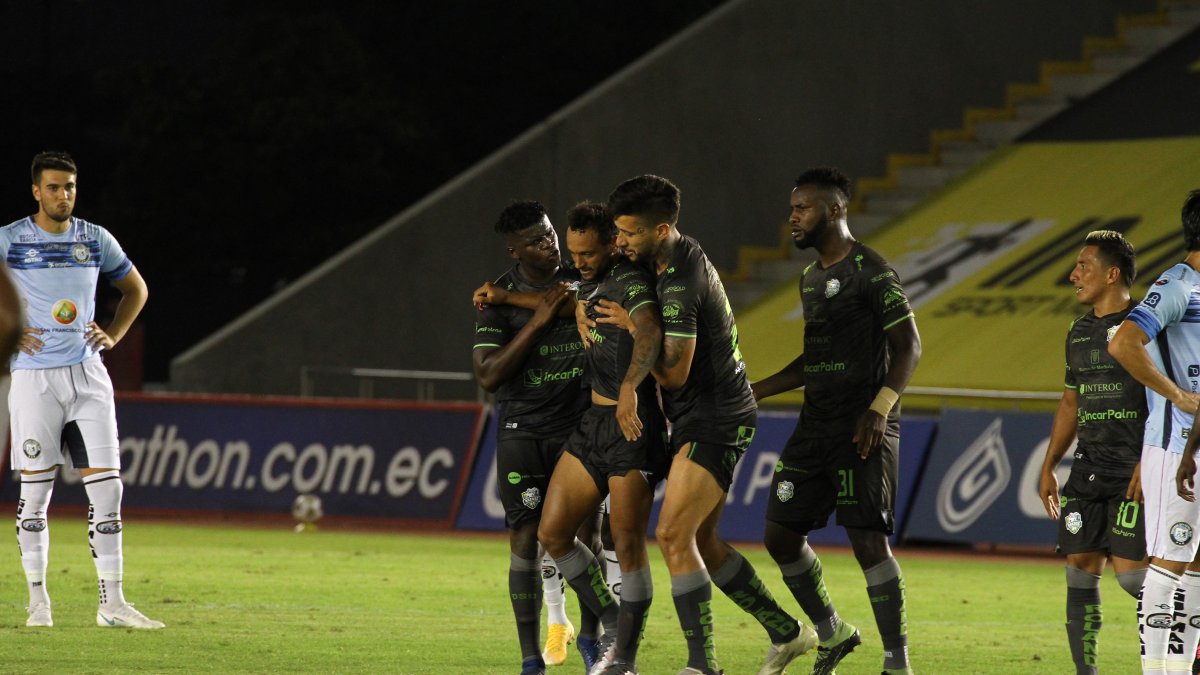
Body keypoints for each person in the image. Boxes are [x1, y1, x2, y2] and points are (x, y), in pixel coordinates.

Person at [594, 174, 817, 675]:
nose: (620, 241)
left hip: (718, 415)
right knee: (705, 542)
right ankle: (788, 632)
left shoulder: (680, 280)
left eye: (628, 232)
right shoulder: (661, 257)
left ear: (662, 228)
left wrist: (633, 328)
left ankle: (703, 665)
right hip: (700, 415)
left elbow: (674, 372)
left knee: (673, 534)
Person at [751, 168, 921, 675]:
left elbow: (909, 345)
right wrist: (756, 390)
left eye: (803, 208)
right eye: (792, 208)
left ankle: (897, 663)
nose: (793, 218)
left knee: (867, 540)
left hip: (862, 425)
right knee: (779, 535)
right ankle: (832, 632)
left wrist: (880, 407)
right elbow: (812, 360)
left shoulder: (872, 271)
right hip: (816, 425)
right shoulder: (810, 278)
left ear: (836, 209)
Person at [2, 151, 161, 629]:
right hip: (34, 379)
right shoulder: (10, 239)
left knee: (109, 490)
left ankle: (111, 605)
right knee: (35, 496)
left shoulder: (95, 239)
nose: (62, 195)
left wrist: (112, 334)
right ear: (36, 191)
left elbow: (137, 289)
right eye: (53, 187)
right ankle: (38, 603)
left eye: (69, 186)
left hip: (89, 376)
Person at [529, 200, 669, 675]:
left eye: (588, 253)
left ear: (613, 243)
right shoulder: (586, 281)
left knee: (627, 545)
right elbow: (562, 297)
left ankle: (623, 656)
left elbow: (649, 329)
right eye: (575, 252)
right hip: (591, 425)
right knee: (551, 533)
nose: (579, 261)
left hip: (632, 426)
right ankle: (613, 620)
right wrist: (507, 299)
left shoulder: (631, 280)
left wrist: (630, 386)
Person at [472, 200, 596, 675]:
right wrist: (538, 324)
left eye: (550, 234)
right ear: (514, 249)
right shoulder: (495, 296)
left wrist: (547, 310)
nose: (551, 244)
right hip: (523, 428)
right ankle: (530, 657)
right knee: (526, 535)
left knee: (587, 530)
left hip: (580, 427)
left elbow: (583, 304)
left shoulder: (580, 274)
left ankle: (592, 639)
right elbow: (488, 374)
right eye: (537, 240)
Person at [1038, 231, 1148, 675]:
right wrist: (1048, 465)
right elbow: (1071, 401)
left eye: (1083, 266)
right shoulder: (1078, 331)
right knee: (1080, 569)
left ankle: (1179, 653)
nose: (1073, 275)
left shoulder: (1148, 324)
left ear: (1112, 273)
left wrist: (1152, 459)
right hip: (1087, 470)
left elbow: (1170, 397)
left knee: (1135, 579)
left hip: (1136, 469)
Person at [1110, 188, 1200, 675]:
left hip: (1199, 445)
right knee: (1168, 564)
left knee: (1196, 568)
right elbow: (1125, 343)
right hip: (1175, 445)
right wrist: (1178, 395)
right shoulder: (1178, 284)